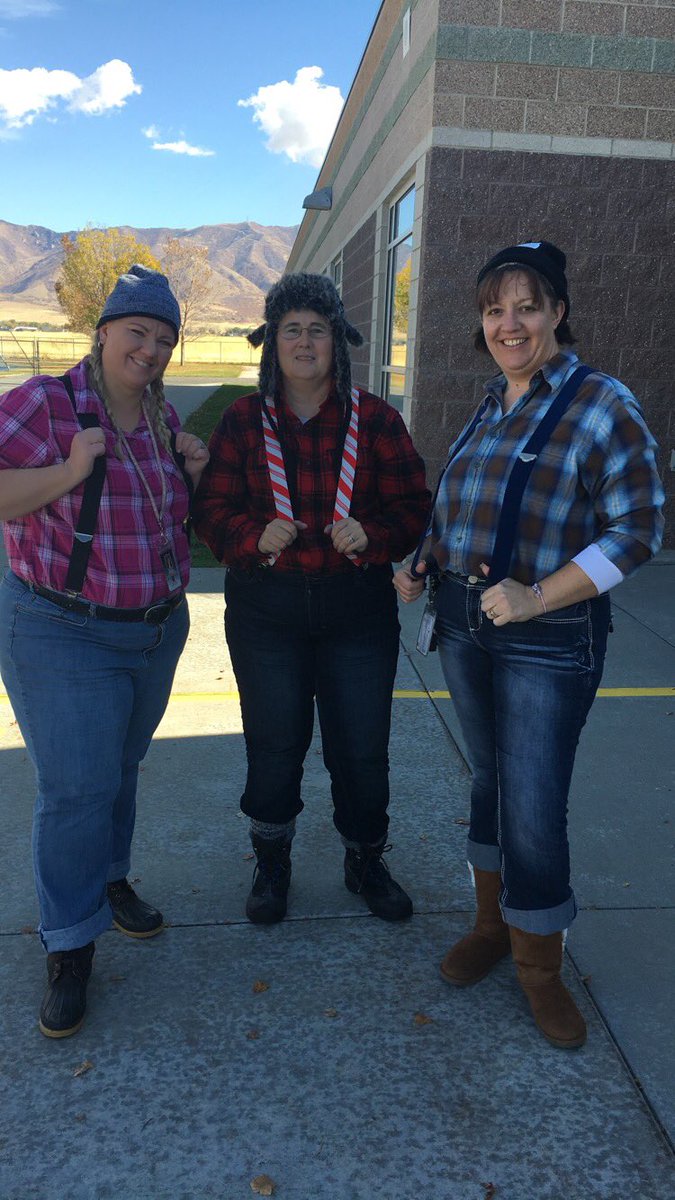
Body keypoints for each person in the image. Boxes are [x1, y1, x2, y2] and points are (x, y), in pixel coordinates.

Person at [394, 240, 664, 1049]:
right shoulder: (490, 402)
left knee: (534, 801)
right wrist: (422, 559)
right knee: (489, 783)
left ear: (556, 313)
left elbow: (638, 528)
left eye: (525, 307)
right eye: (493, 309)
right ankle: (492, 926)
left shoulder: (599, 402)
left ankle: (540, 966)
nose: (507, 324)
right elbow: (461, 507)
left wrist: (539, 595)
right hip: (466, 623)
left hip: (548, 634)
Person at [0, 265, 209, 1038]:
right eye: (136, 332)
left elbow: (165, 523)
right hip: (63, 628)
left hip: (153, 629)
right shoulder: (45, 404)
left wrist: (194, 473)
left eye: (163, 339)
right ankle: (69, 942)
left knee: (117, 770)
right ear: (102, 333)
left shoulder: (161, 417)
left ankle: (111, 880)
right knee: (76, 789)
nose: (149, 350)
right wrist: (68, 470)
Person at [193, 273, 430, 925]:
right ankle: (272, 861)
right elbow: (209, 510)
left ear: (337, 341)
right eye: (291, 329)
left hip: (357, 610)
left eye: (317, 330)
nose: (304, 342)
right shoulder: (244, 421)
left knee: (361, 747)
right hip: (266, 611)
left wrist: (375, 533)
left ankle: (365, 858)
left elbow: (415, 505)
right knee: (274, 744)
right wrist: (250, 535)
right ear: (272, 342)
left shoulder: (375, 420)